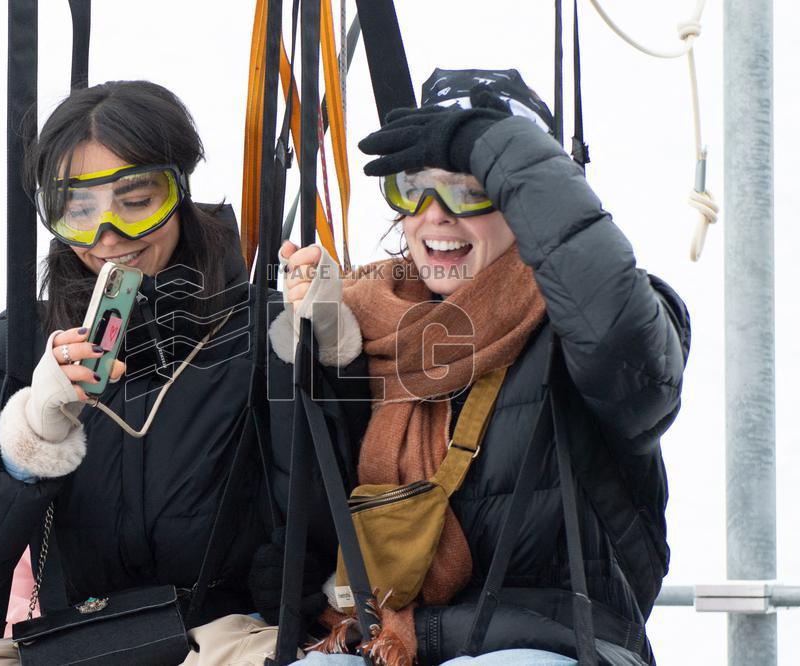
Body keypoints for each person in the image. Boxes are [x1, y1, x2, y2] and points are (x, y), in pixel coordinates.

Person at [0, 80, 368, 664]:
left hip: (228, 636)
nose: (109, 235)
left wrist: (322, 356)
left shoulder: (260, 326)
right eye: (78, 211)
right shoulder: (17, 342)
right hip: (77, 640)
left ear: (180, 192)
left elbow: (328, 514)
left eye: (137, 200)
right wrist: (31, 434)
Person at [273, 69, 690, 665]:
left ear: (528, 205)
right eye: (414, 188)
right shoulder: (366, 318)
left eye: (472, 188)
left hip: (553, 644)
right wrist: (307, 346)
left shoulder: (597, 320)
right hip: (385, 640)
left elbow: (621, 342)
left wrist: (503, 149)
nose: (435, 216)